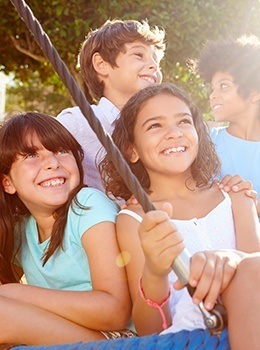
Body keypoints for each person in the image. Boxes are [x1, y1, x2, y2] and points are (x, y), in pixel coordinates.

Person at [99, 83, 260, 349]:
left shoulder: (235, 196)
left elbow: (256, 274)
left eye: (184, 121)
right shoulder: (134, 221)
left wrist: (233, 260)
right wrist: (155, 270)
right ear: (131, 150)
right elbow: (149, 329)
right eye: (155, 126)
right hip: (189, 340)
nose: (174, 133)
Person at [0, 112, 134, 346]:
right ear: (7, 182)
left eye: (62, 150)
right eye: (31, 155)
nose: (53, 162)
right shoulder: (22, 229)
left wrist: (18, 294)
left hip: (118, 338)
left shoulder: (88, 204)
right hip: (72, 335)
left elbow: (116, 310)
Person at [56, 19, 165, 192]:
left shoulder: (163, 127)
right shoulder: (76, 123)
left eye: (156, 61)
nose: (154, 66)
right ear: (101, 64)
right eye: (139, 55)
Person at [196, 34, 260, 215]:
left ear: (254, 93)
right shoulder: (204, 142)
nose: (213, 95)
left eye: (223, 86)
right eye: (213, 88)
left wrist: (251, 204)